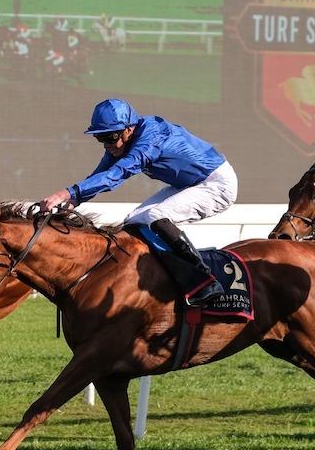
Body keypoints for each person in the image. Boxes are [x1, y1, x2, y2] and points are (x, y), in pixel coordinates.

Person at [40, 98, 238, 305]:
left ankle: (204, 281)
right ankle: (160, 278)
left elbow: (118, 173)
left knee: (155, 216)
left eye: (110, 137)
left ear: (128, 129)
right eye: (100, 138)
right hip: (188, 185)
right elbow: (102, 172)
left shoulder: (151, 138)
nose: (107, 144)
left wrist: (66, 193)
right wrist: (76, 198)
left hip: (216, 183)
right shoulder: (122, 141)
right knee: (133, 222)